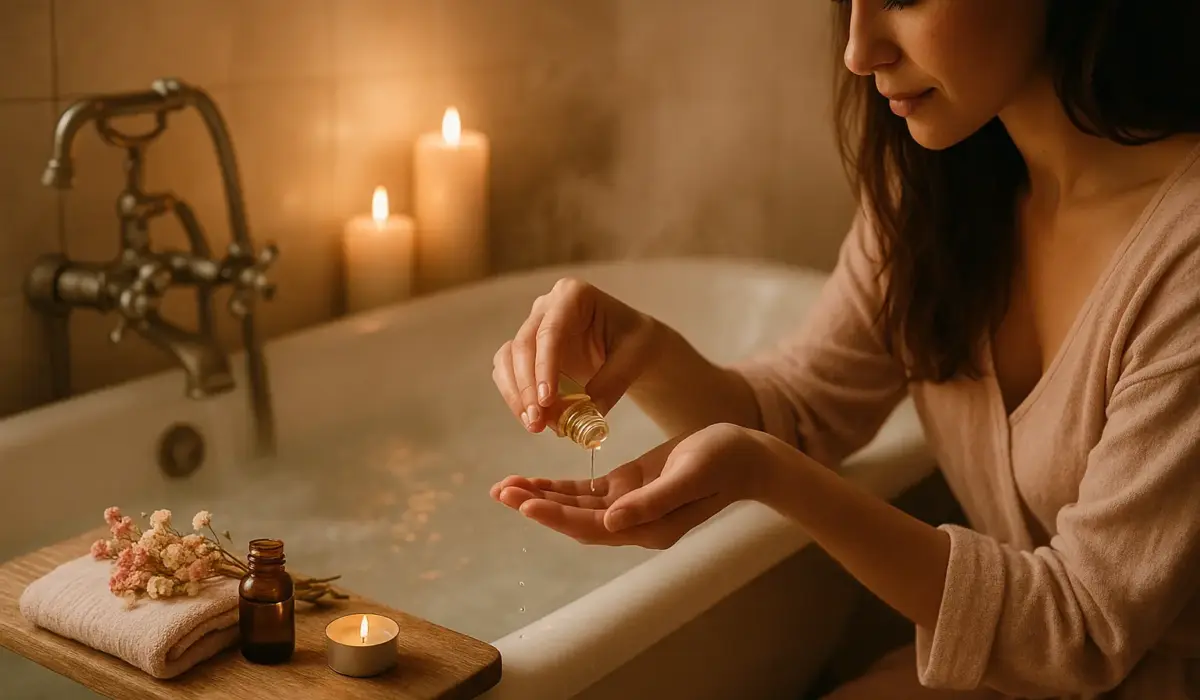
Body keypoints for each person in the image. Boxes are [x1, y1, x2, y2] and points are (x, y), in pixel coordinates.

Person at [489, 1, 1200, 697]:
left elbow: (1080, 635)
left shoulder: (1184, 256)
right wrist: (642, 350)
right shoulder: (936, 187)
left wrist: (778, 478)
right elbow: (799, 412)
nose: (859, 52)